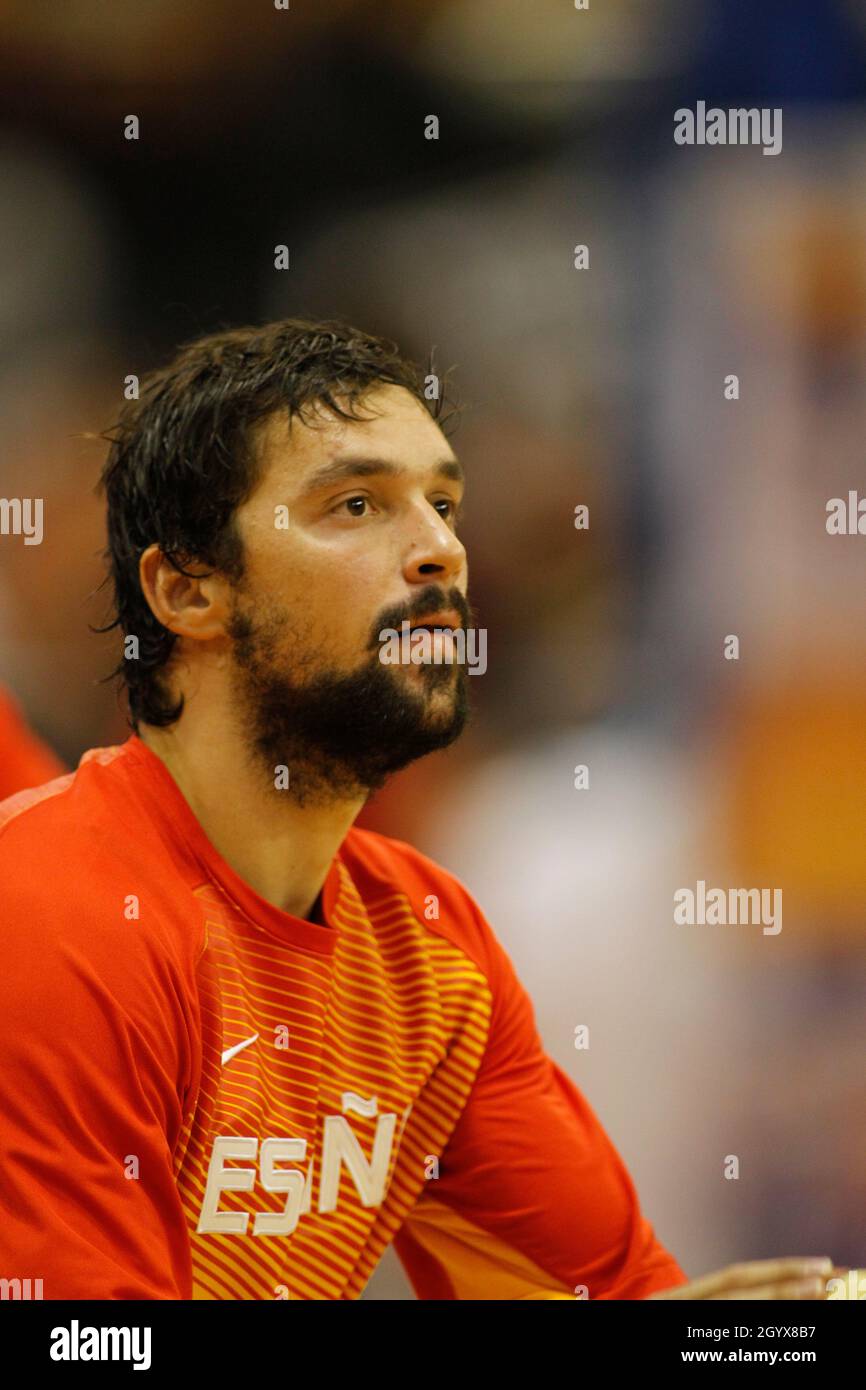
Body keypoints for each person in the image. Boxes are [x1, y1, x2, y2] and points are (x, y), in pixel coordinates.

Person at [0, 318, 834, 1301]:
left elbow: (616, 1299)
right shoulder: (47, 912)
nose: (438, 549)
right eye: (356, 504)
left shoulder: (430, 947)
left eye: (443, 503)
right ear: (187, 589)